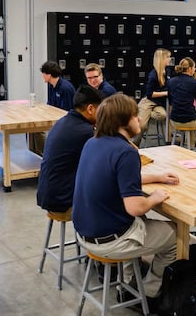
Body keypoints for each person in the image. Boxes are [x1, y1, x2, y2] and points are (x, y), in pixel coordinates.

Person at [72, 93, 180, 299]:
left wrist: (157, 176)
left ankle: (129, 278)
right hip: (109, 242)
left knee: (140, 221)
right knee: (177, 236)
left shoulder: (92, 144)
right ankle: (147, 293)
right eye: (134, 116)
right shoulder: (126, 152)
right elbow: (135, 207)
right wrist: (154, 198)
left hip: (84, 235)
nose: (139, 119)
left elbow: (116, 179)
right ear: (122, 122)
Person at [36, 85, 104, 213]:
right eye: (101, 110)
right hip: (62, 199)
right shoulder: (85, 131)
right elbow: (102, 164)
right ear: (90, 109)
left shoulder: (64, 121)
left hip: (47, 194)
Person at [29, 60, 77, 156]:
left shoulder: (65, 88)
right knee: (32, 126)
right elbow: (50, 104)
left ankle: (46, 153)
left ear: (49, 75)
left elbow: (66, 111)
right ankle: (36, 153)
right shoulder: (51, 86)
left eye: (43, 73)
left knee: (38, 129)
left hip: (65, 121)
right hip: (54, 116)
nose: (42, 76)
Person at [135, 48, 171, 146]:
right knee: (142, 126)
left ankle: (148, 114)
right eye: (168, 57)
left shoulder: (167, 72)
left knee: (163, 115)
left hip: (158, 103)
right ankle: (134, 144)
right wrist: (166, 93)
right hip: (149, 101)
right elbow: (150, 93)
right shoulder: (153, 75)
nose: (170, 59)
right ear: (161, 59)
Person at [166, 57, 196, 147]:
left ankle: (186, 144)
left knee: (189, 113)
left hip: (174, 120)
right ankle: (191, 146)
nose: (195, 69)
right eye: (194, 67)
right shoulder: (195, 82)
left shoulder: (171, 81)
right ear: (190, 69)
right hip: (190, 120)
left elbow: (171, 102)